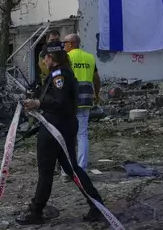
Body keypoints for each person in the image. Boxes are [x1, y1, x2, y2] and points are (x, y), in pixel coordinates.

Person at [16, 41, 106, 225]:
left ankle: (36, 211)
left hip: (54, 129)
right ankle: (97, 206)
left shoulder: (60, 76)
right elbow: (54, 98)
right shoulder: (61, 74)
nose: (42, 62)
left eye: (44, 58)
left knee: (47, 171)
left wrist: (39, 104)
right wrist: (35, 101)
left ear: (50, 58)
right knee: (73, 169)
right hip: (61, 127)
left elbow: (61, 103)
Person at [60, 33, 99, 177]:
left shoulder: (67, 58)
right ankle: (82, 168)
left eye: (65, 43)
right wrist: (97, 94)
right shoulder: (90, 57)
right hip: (87, 99)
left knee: (67, 135)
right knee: (82, 134)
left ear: (71, 44)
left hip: (71, 101)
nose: (64, 45)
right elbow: (96, 78)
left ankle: (67, 169)